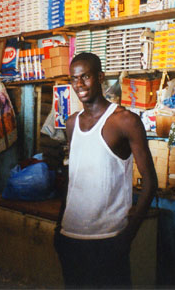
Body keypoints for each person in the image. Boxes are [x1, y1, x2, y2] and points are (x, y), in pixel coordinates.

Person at [54, 52, 157, 288]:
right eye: (74, 79)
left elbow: (150, 184)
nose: (79, 85)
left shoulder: (124, 121)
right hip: (70, 237)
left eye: (85, 77)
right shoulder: (71, 124)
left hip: (109, 240)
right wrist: (58, 228)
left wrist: (128, 236)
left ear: (100, 77)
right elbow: (73, 179)